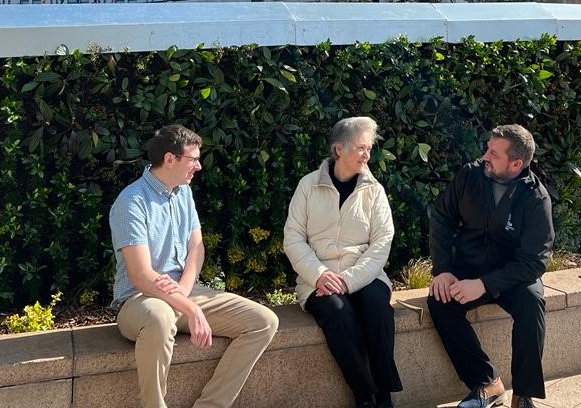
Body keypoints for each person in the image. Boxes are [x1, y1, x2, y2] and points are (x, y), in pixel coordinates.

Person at [110, 124, 279, 408]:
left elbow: (196, 249)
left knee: (263, 322)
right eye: (193, 159)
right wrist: (188, 306)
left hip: (183, 290)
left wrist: (184, 292)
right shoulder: (132, 201)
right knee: (160, 318)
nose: (199, 166)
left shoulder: (183, 193)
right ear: (170, 159)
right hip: (140, 300)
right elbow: (140, 275)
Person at [427, 124, 554, 408]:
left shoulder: (536, 198)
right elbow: (442, 218)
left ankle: (523, 394)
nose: (485, 156)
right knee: (439, 302)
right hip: (468, 266)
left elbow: (534, 261)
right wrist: (443, 269)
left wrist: (484, 285)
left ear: (516, 163)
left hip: (512, 274)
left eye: (494, 154)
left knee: (532, 303)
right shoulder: (469, 175)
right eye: (487, 148)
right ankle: (487, 382)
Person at [283, 116, 402, 408]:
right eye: (361, 148)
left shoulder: (374, 190)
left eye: (369, 148)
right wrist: (321, 275)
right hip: (318, 279)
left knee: (377, 305)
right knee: (337, 313)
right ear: (339, 150)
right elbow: (293, 239)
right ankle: (364, 395)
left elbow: (382, 242)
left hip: (364, 274)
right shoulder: (308, 185)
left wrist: (348, 281)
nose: (367, 155)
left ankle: (384, 396)